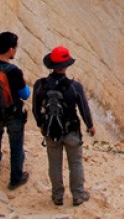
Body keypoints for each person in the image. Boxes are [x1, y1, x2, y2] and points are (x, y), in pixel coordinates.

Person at [35, 46, 95, 207]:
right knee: (75, 162)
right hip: (71, 131)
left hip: (50, 130)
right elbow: (84, 108)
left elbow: (36, 108)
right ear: (66, 65)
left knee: (54, 163)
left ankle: (57, 195)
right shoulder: (74, 87)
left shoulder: (41, 85)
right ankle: (78, 195)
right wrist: (90, 126)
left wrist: (41, 124)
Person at [0, 31, 31, 190]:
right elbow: (25, 94)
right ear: (10, 49)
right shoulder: (14, 71)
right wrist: (23, 82)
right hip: (12, 113)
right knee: (16, 144)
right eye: (15, 48)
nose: (15, 50)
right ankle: (16, 179)